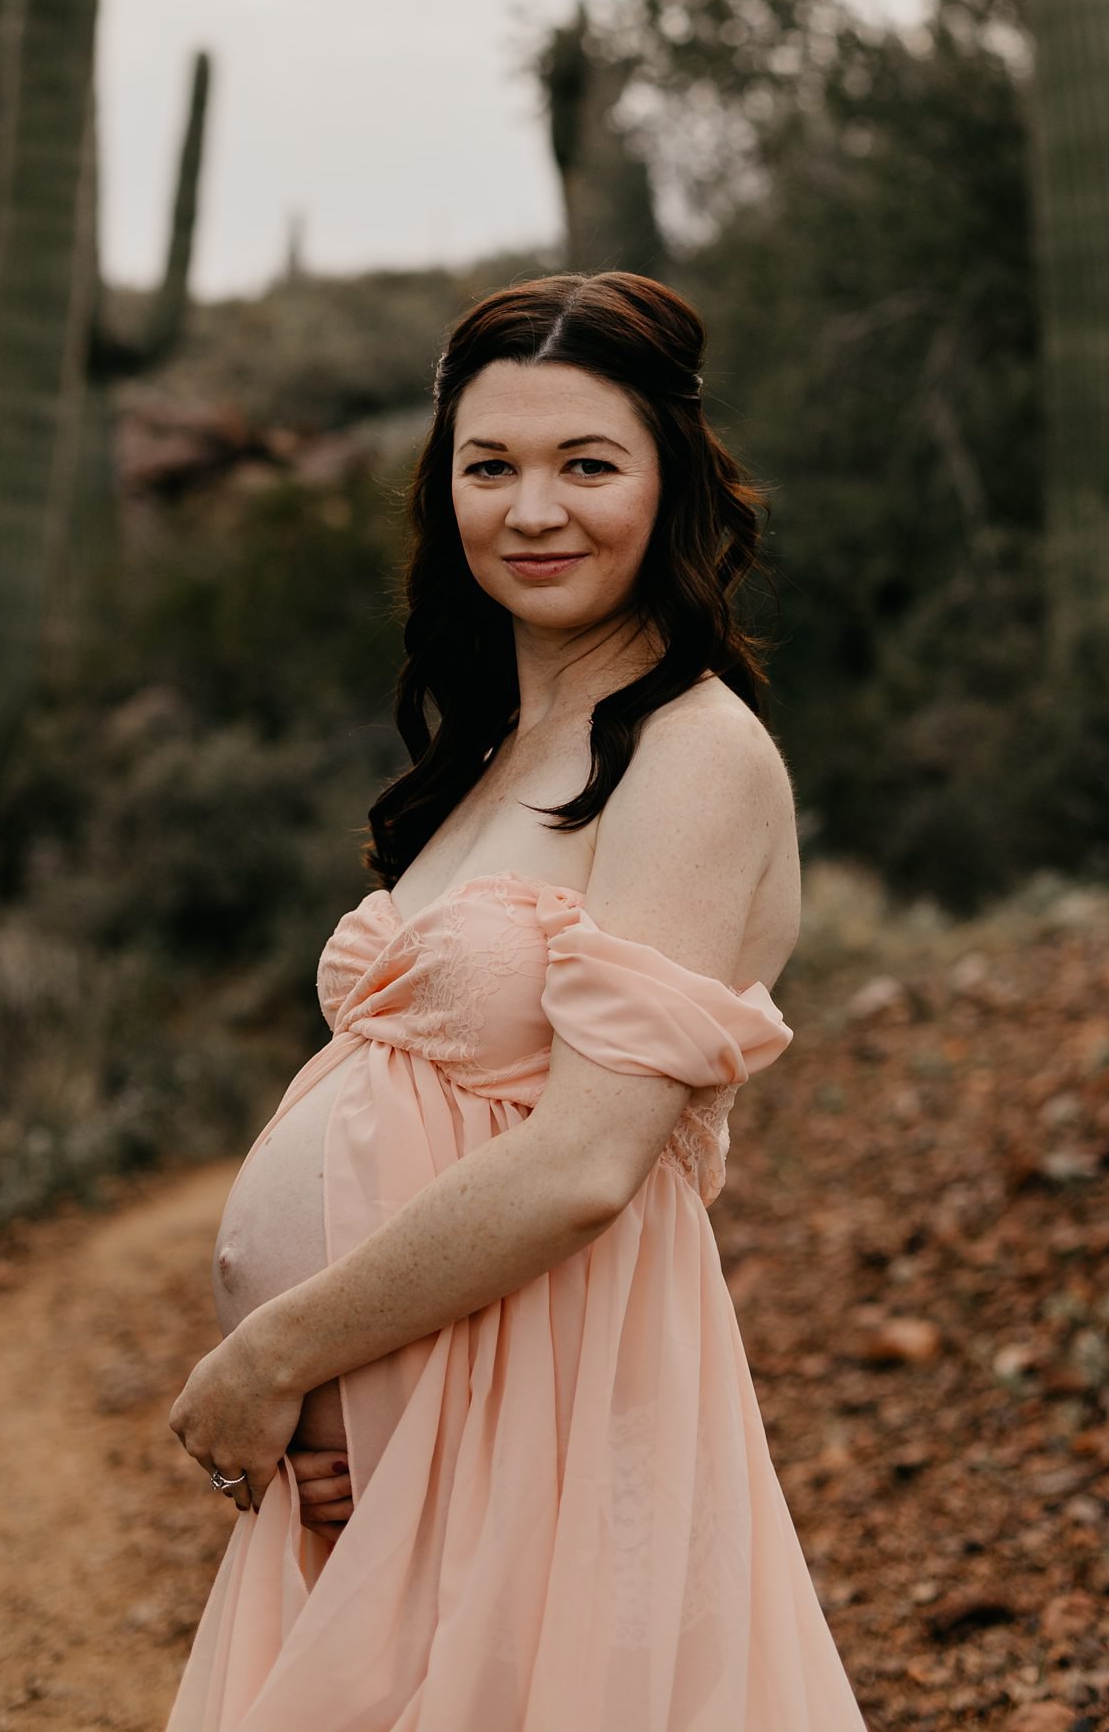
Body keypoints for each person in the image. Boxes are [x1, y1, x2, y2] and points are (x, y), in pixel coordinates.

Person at [164, 270, 867, 1730]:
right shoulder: (498, 745)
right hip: (425, 1425)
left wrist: (277, 1352)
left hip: (547, 1417)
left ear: (670, 482)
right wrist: (357, 1387)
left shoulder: (694, 752)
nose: (533, 510)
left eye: (587, 464)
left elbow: (586, 1162)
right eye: (491, 467)